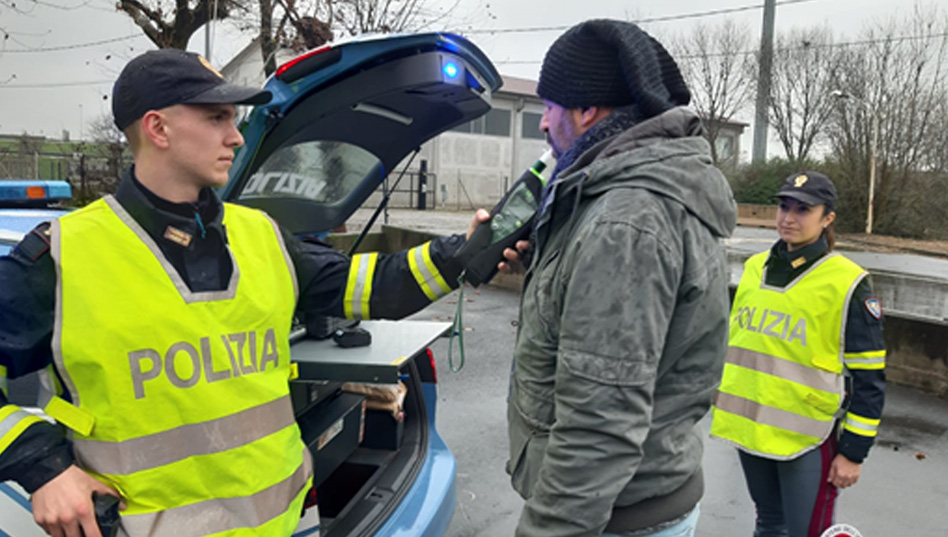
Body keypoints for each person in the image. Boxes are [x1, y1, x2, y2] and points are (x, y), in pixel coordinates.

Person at [0, 49, 485, 537]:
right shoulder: (64, 256)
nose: (234, 136)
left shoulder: (262, 235)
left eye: (234, 119)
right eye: (216, 118)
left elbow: (374, 288)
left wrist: (458, 254)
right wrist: (43, 467)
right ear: (158, 129)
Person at [500, 19, 737, 537]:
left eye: (550, 105)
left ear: (587, 111)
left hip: (617, 519)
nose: (543, 123)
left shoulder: (625, 223)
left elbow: (599, 426)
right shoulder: (629, 198)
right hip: (640, 501)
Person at [710, 171, 886, 537]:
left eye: (803, 209)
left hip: (808, 435)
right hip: (752, 428)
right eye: (784, 206)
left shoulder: (848, 282)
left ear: (827, 218)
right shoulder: (755, 267)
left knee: (806, 531)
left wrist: (853, 451)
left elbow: (869, 377)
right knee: (769, 523)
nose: (789, 217)